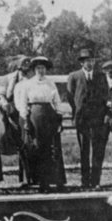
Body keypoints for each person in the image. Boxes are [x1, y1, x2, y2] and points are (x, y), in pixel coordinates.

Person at [15, 55, 66, 193]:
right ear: (34, 69)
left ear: (46, 69)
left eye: (43, 68)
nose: (41, 71)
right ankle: (40, 182)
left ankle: (54, 181)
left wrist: (59, 118)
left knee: (52, 149)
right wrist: (26, 120)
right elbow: (23, 103)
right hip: (35, 117)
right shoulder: (28, 84)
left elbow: (57, 101)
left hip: (49, 116)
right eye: (38, 68)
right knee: (38, 148)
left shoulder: (50, 83)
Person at [66, 48, 110, 188]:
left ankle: (95, 181)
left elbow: (105, 95)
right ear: (82, 63)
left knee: (98, 150)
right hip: (82, 119)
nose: (89, 63)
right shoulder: (74, 76)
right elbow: (70, 97)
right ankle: (85, 181)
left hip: (98, 118)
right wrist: (77, 112)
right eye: (86, 61)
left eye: (92, 61)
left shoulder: (101, 76)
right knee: (84, 150)